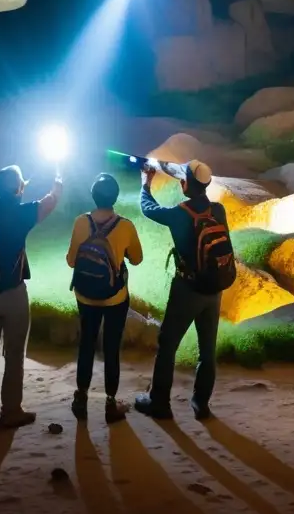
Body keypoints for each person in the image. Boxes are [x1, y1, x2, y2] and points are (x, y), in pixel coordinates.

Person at [0, 164, 63, 428]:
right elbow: (50, 202)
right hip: (13, 292)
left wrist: (11, 188)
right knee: (14, 353)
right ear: (18, 189)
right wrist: (58, 181)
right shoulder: (22, 214)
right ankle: (11, 409)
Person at [134, 160, 226, 421]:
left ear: (186, 184)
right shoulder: (218, 211)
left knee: (168, 344)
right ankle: (201, 403)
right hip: (214, 289)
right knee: (207, 349)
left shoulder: (180, 213)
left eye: (183, 180)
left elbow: (148, 208)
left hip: (188, 288)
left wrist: (146, 182)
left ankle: (159, 403)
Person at [66, 173, 144, 424]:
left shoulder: (81, 222)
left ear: (93, 196)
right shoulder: (126, 226)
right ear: (115, 198)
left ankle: (81, 397)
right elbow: (137, 258)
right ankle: (111, 403)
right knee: (111, 347)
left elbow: (71, 261)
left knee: (86, 344)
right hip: (115, 298)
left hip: (85, 295)